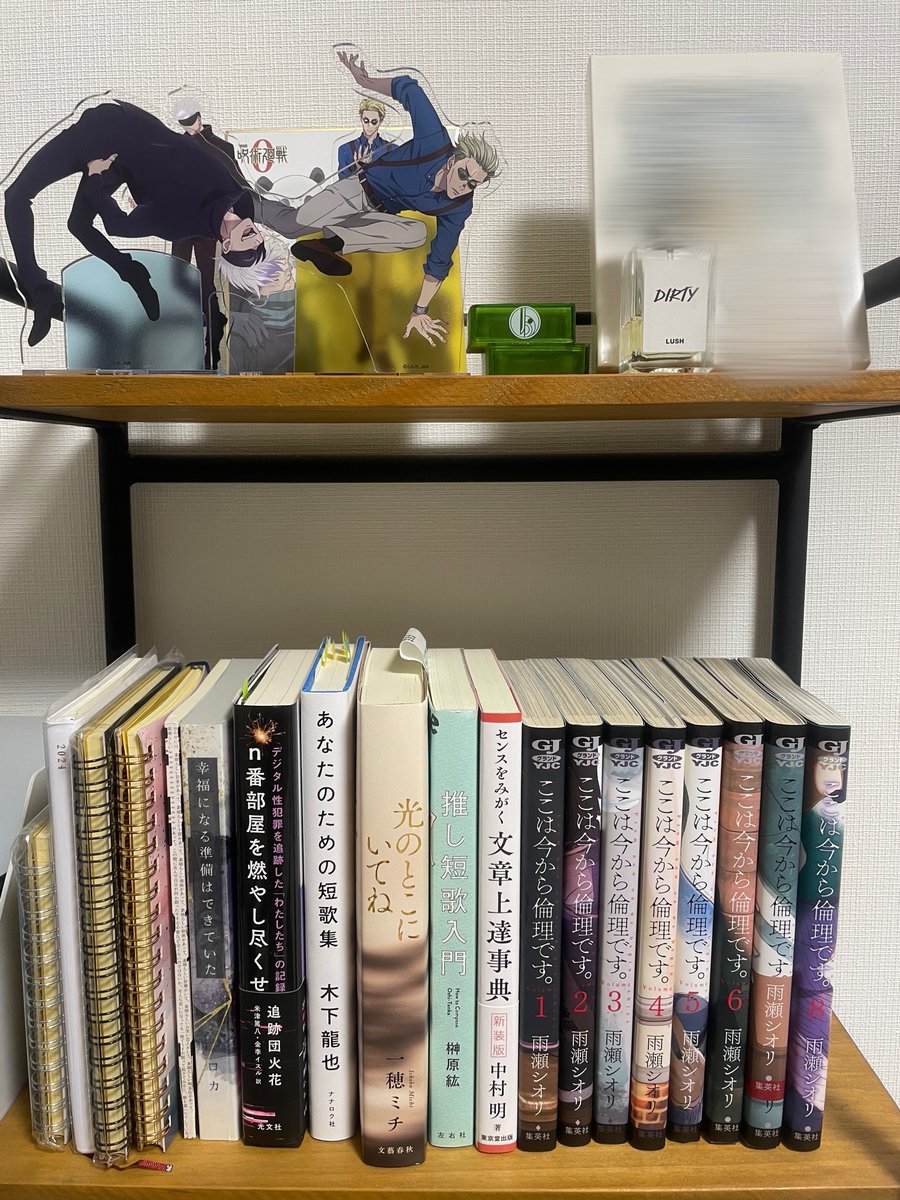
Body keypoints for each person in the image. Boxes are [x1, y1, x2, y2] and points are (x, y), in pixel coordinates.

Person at [4, 99, 302, 347]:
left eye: (247, 253)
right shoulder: (234, 191)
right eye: (259, 246)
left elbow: (118, 225)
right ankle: (130, 274)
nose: (255, 242)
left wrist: (95, 175)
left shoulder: (180, 222)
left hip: (104, 146)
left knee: (28, 201)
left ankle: (54, 288)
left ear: (226, 246)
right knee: (51, 212)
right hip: (120, 125)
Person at [290, 52, 499, 347]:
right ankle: (261, 212)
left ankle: (327, 245)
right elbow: (409, 89)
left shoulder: (459, 206)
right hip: (359, 189)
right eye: (464, 174)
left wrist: (420, 311)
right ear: (454, 160)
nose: (464, 186)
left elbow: (440, 260)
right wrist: (365, 81)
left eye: (473, 184)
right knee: (296, 223)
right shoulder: (434, 142)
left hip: (382, 214)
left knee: (416, 233)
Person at [170, 97, 241, 368]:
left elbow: (236, 184)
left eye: (191, 122)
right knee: (176, 279)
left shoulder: (222, 148)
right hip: (180, 221)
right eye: (184, 124)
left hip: (207, 223)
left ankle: (212, 348)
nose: (189, 128)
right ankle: (204, 323)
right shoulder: (174, 147)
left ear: (200, 118)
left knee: (206, 283)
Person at [337, 98, 390, 180]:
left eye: (374, 122)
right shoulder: (345, 150)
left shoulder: (392, 149)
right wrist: (359, 170)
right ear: (361, 118)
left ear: (381, 120)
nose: (369, 125)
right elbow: (343, 183)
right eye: (366, 121)